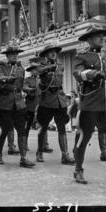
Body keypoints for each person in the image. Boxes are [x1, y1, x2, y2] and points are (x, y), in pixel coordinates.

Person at [0, 45, 35, 168]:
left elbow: (21, 86)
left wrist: (29, 89)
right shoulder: (1, 67)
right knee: (5, 130)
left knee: (21, 130)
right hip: (5, 103)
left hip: (19, 103)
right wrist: (7, 78)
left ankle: (23, 158)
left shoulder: (21, 69)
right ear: (7, 56)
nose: (14, 56)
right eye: (12, 55)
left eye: (16, 54)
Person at [73, 24, 106, 184]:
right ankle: (78, 169)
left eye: (102, 35)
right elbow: (78, 73)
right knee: (84, 137)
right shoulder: (83, 57)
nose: (102, 37)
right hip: (91, 103)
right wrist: (94, 73)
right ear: (89, 40)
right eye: (97, 35)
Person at [35, 44, 75, 165]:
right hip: (47, 100)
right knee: (44, 127)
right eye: (50, 52)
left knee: (61, 127)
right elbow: (38, 72)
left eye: (55, 52)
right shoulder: (41, 67)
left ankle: (65, 155)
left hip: (59, 99)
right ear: (46, 55)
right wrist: (49, 67)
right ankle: (39, 151)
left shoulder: (61, 66)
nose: (53, 54)